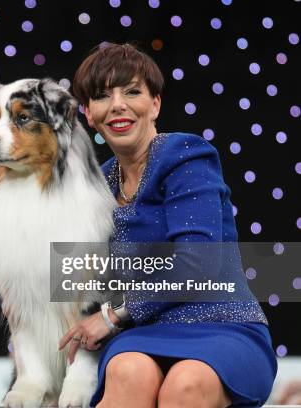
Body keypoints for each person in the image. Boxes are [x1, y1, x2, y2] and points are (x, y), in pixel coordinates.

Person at [59, 43, 277, 407]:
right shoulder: (98, 183)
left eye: (131, 91)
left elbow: (197, 262)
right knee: (127, 371)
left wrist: (112, 317)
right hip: (145, 334)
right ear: (89, 115)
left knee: (186, 383)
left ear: (155, 104)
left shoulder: (185, 154)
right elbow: (88, 272)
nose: (117, 105)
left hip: (222, 325)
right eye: (102, 96)